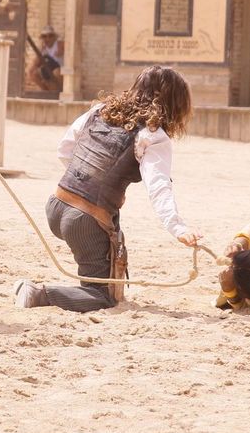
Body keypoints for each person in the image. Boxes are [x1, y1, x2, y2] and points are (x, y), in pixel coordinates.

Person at [14, 66, 202, 312]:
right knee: (103, 297)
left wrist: (86, 184)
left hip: (56, 206)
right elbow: (158, 186)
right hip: (83, 221)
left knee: (104, 256)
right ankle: (37, 294)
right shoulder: (153, 136)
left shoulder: (99, 111)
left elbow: (65, 150)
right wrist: (178, 228)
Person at [34, 26, 64, 94]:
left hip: (58, 69)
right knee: (33, 73)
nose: (47, 38)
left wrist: (61, 50)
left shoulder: (58, 44)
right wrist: (40, 51)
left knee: (56, 72)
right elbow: (35, 64)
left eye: (50, 36)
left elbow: (69, 48)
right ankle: (46, 92)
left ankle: (58, 91)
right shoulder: (43, 48)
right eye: (45, 36)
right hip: (47, 69)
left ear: (54, 37)